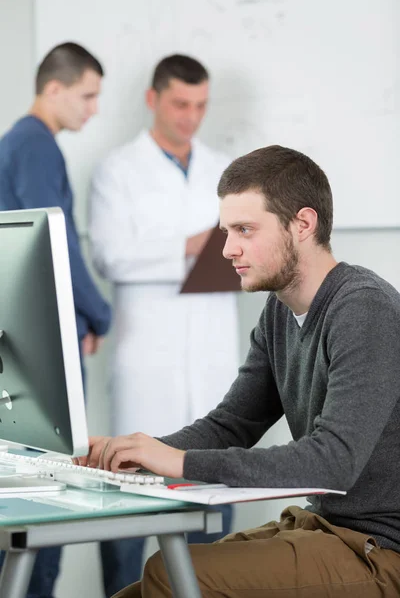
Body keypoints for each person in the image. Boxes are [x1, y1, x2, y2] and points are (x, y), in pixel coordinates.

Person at [84, 145, 400, 597]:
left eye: (244, 230)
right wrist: (140, 453)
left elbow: (334, 462)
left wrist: (180, 463)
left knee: (170, 575)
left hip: (381, 551)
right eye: (225, 231)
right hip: (327, 529)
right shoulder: (278, 312)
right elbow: (232, 424)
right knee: (131, 595)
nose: (227, 248)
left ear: (303, 225)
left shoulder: (364, 307)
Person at [88, 54, 239, 583]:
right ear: (153, 100)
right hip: (147, 361)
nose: (190, 117)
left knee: (214, 520)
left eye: (200, 105)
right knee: (129, 506)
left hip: (212, 360)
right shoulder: (118, 169)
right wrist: (188, 246)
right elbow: (109, 255)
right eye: (180, 104)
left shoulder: (227, 169)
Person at [0, 43, 116, 598]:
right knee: (49, 497)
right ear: (53, 88)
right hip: (44, 350)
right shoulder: (36, 145)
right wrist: (98, 312)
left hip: (18, 347)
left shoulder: (16, 144)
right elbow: (56, 240)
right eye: (87, 95)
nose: (93, 109)